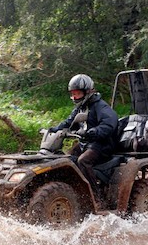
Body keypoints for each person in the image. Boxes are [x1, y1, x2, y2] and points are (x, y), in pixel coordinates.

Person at [49, 74, 119, 203]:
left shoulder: (100, 106)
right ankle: (74, 191)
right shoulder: (80, 107)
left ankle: (95, 197)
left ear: (88, 91)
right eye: (73, 94)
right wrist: (55, 129)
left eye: (77, 93)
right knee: (67, 160)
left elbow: (110, 123)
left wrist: (96, 131)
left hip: (102, 144)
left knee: (83, 161)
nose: (74, 97)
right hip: (85, 144)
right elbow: (69, 122)